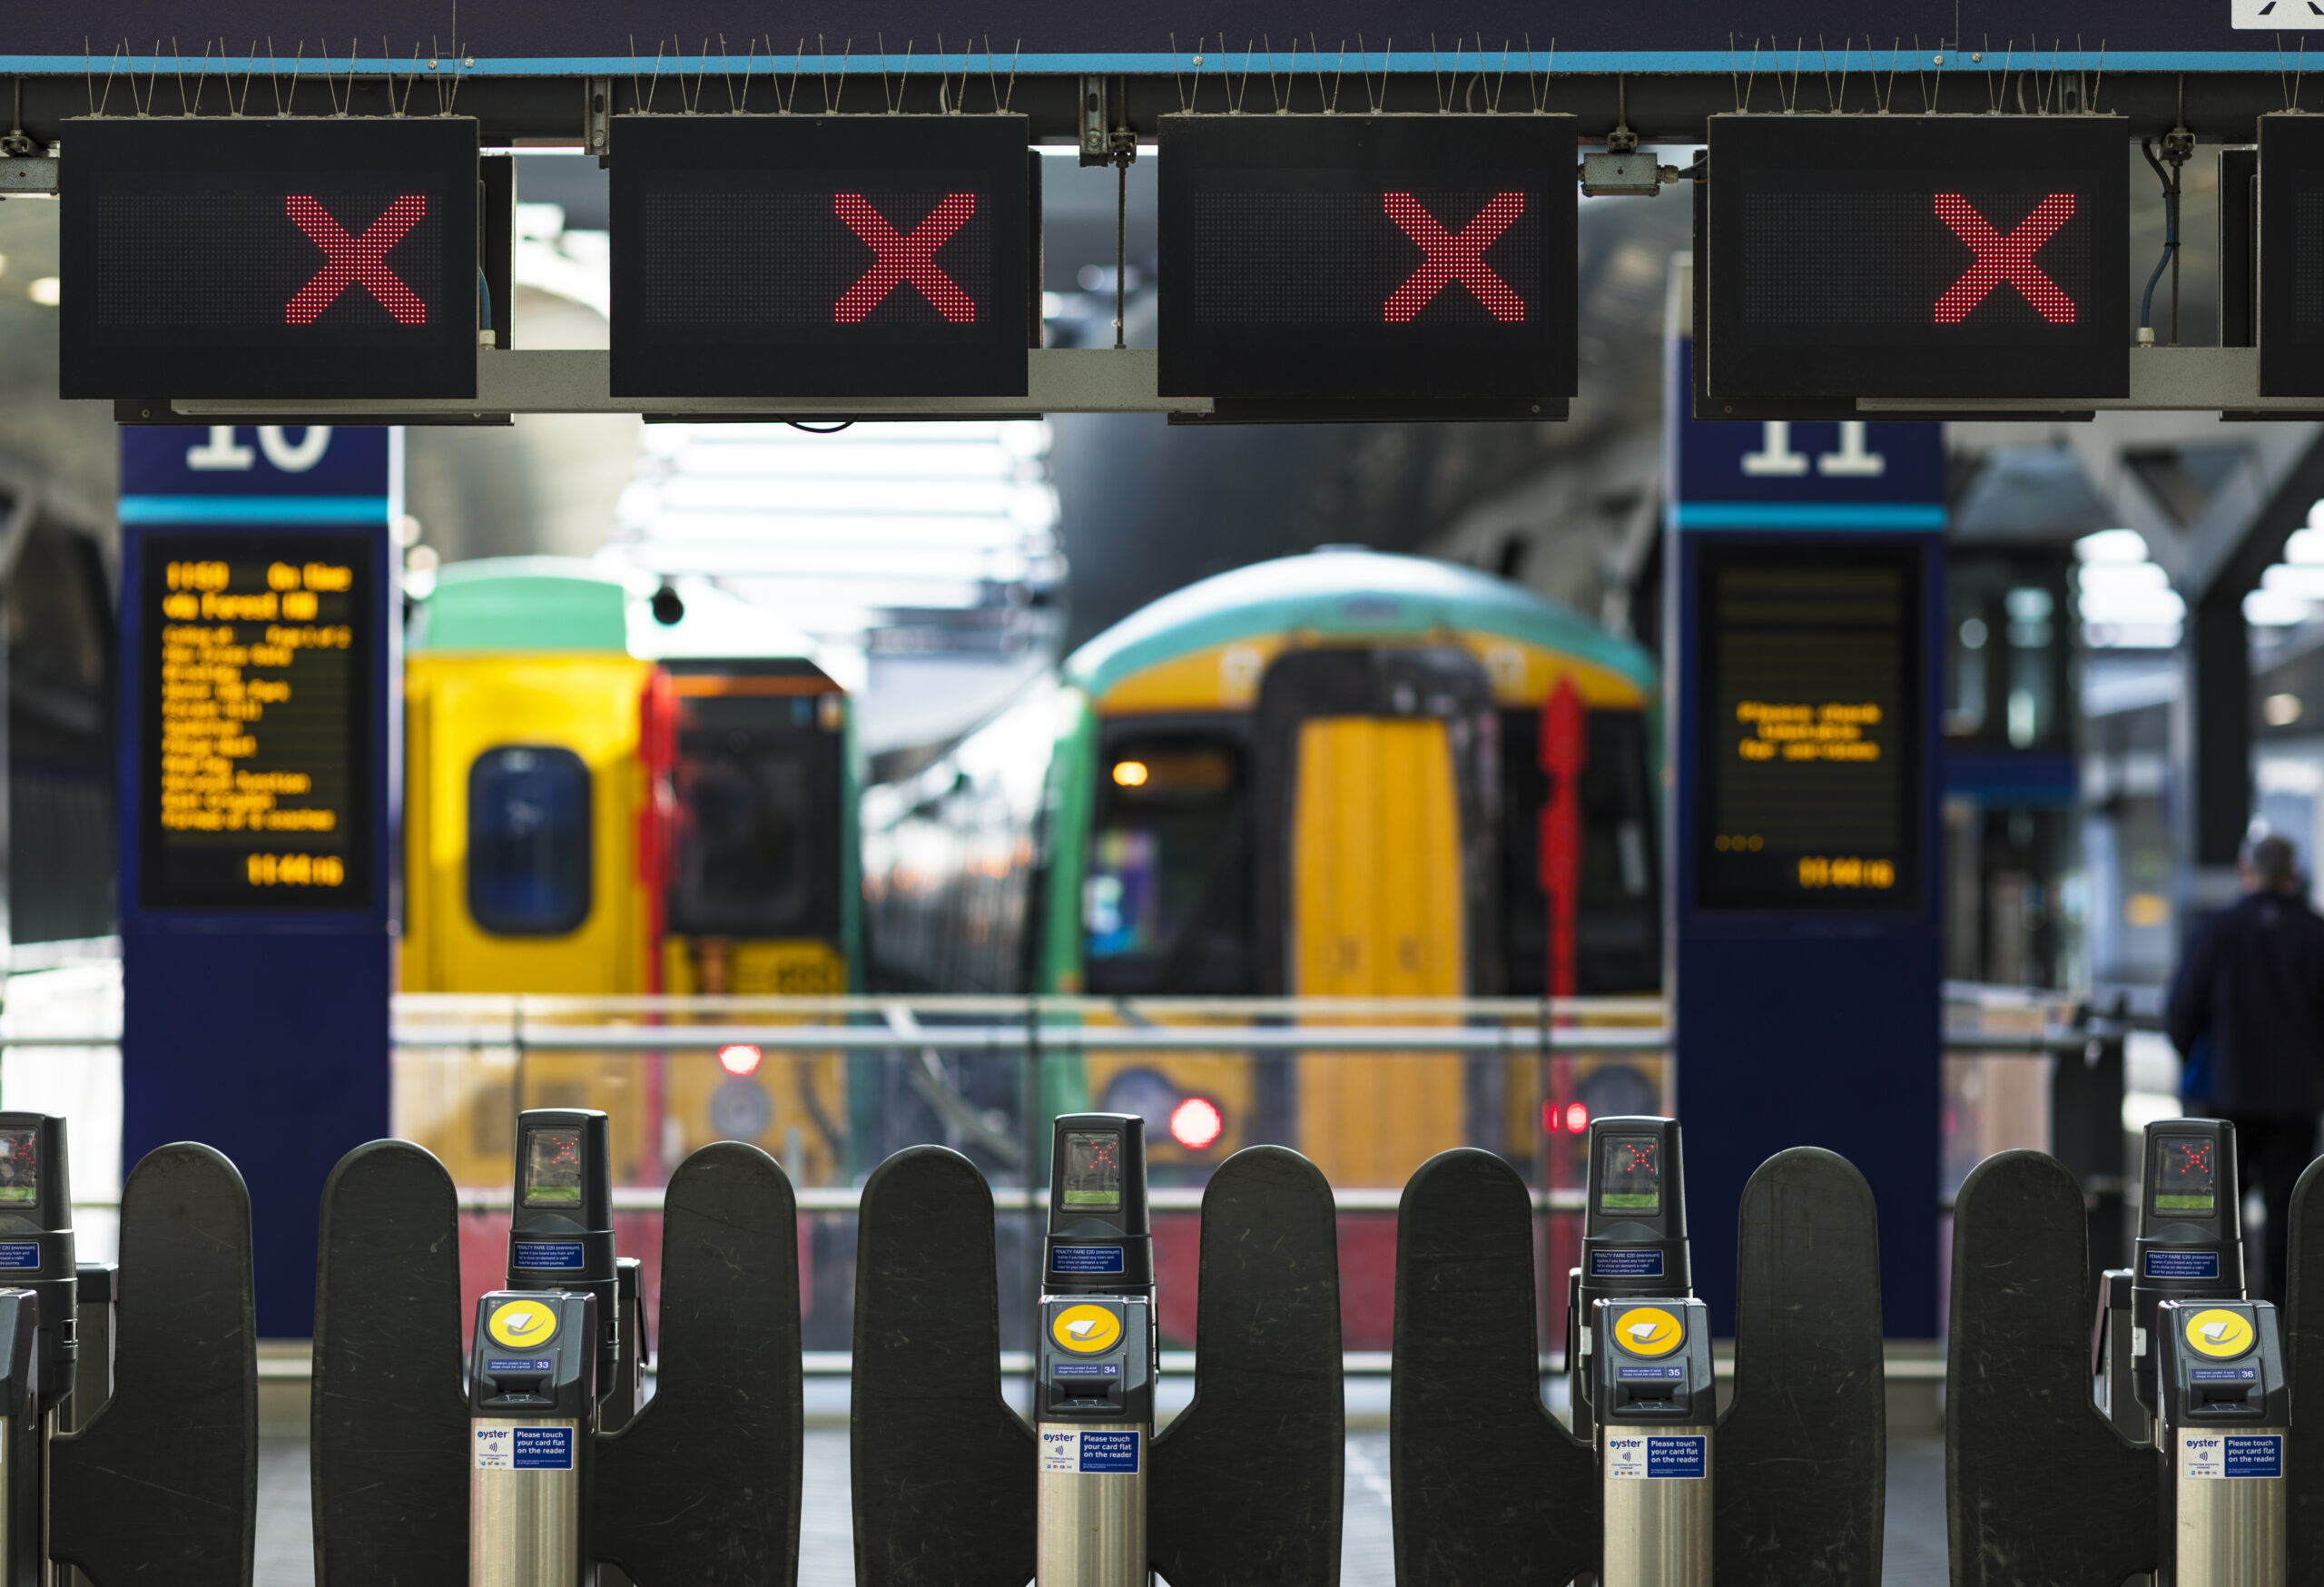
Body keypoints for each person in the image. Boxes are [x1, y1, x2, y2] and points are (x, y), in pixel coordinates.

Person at [2167, 831, 2324, 1307]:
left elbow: (2180, 1013)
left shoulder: (2216, 929)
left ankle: (2218, 1320)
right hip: (2295, 1102)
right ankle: (2285, 1325)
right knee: (2288, 1216)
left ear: (2245, 871)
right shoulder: (2316, 933)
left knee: (2218, 1218)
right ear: (2293, 874)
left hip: (2222, 1101)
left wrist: (2203, 1065)